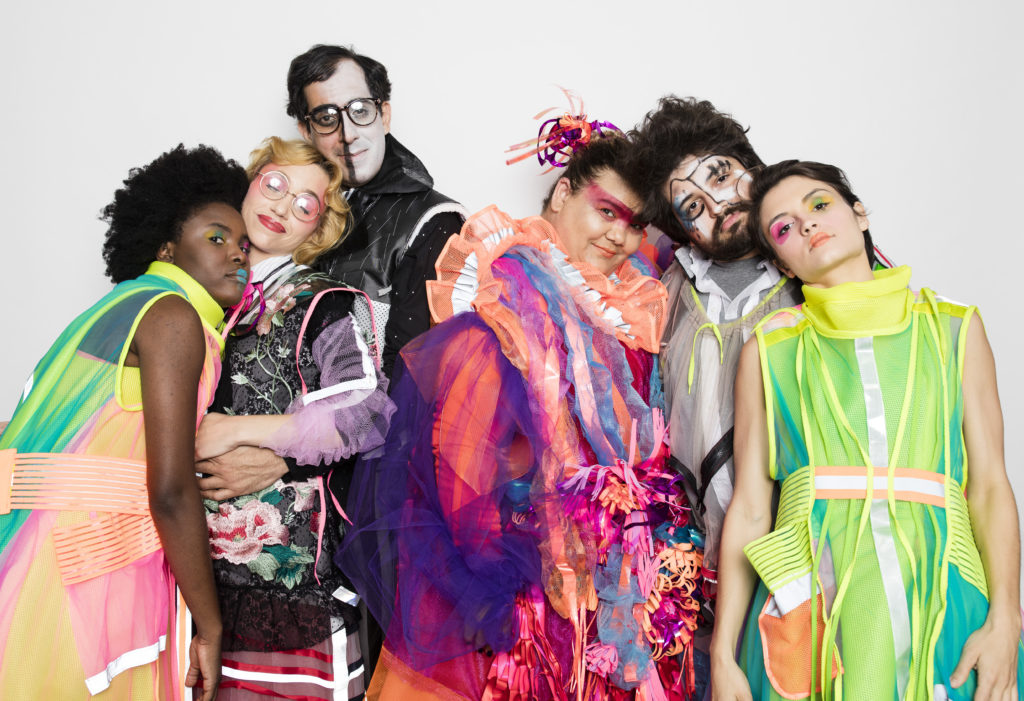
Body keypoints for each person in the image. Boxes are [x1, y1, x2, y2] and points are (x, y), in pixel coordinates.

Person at [338, 130, 705, 700]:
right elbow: (457, 452)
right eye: (607, 211)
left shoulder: (631, 308)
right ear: (562, 193)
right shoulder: (504, 291)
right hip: (521, 579)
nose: (619, 235)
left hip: (605, 588)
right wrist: (485, 581)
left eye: (637, 224)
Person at [713, 160, 1023, 700]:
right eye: (784, 228)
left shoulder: (954, 327)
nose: (807, 224)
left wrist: (1006, 617)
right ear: (782, 263)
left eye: (819, 204)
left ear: (859, 214)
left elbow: (990, 485)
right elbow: (751, 510)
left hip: (945, 596)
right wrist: (721, 654)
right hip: (812, 611)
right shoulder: (770, 350)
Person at [0, 145, 250, 699]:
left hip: (35, 556)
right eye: (216, 238)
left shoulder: (119, 306)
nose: (237, 254)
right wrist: (210, 626)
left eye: (243, 244)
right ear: (166, 246)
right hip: (84, 575)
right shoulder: (172, 315)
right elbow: (170, 489)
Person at [194, 137, 396, 700]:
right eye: (276, 184)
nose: (282, 206)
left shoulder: (325, 301)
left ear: (318, 228)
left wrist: (241, 433)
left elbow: (365, 413)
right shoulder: (197, 296)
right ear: (251, 181)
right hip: (191, 579)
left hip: (293, 585)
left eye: (305, 204)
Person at [632, 98, 803, 694]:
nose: (720, 204)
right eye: (693, 207)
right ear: (683, 230)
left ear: (753, 166)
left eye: (723, 175)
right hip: (704, 579)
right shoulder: (663, 294)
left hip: (817, 563)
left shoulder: (817, 264)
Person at [286, 43, 466, 377]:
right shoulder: (288, 209)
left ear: (384, 115)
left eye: (360, 110)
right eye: (326, 118)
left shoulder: (434, 220)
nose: (348, 135)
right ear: (306, 132)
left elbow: (411, 375)